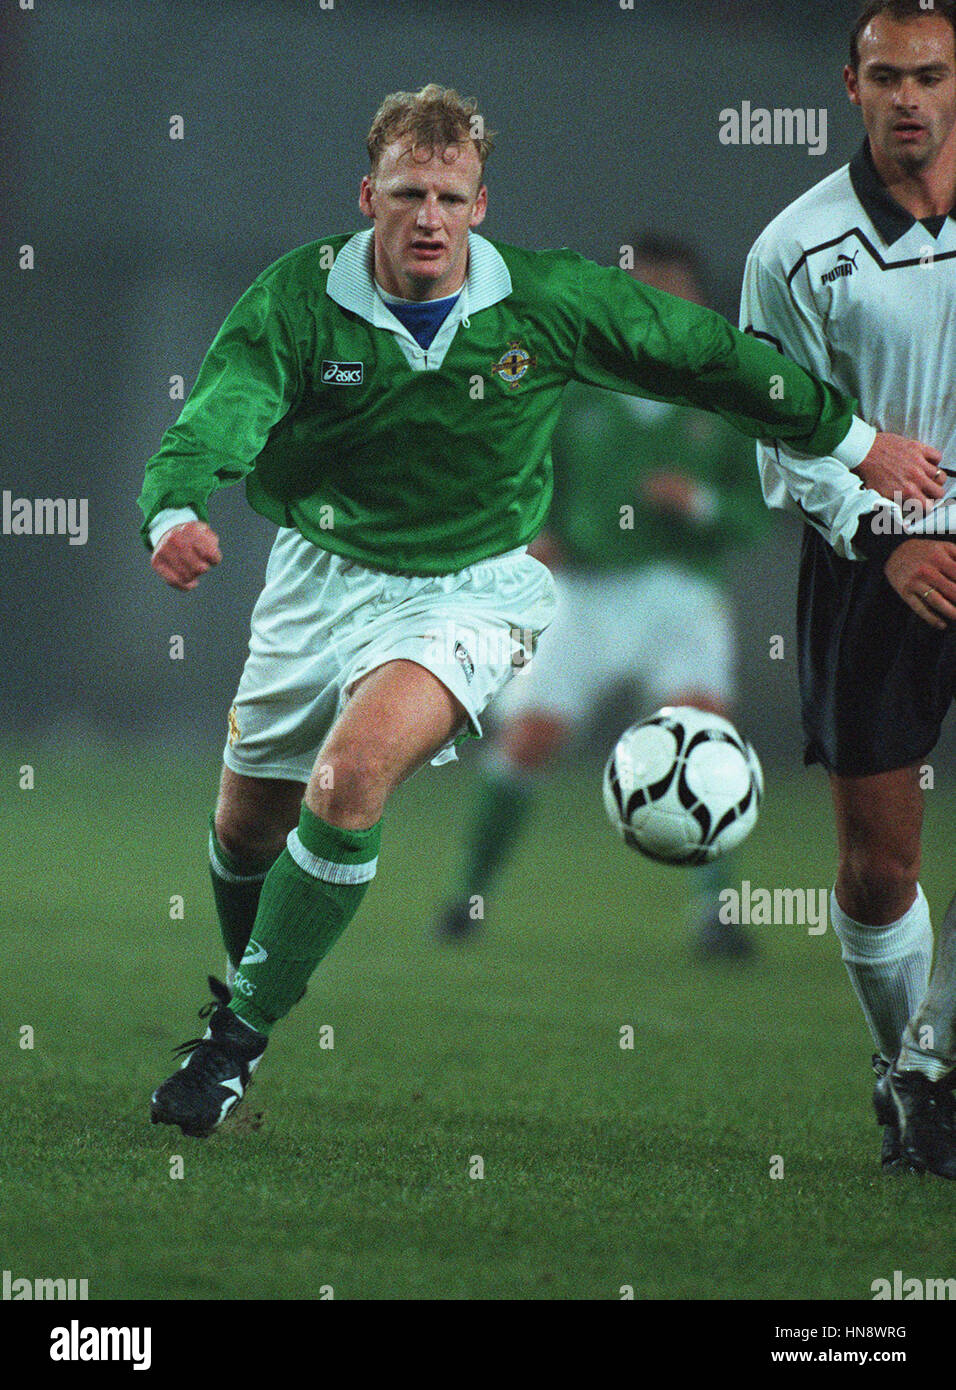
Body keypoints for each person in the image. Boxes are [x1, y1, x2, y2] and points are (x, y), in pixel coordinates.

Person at [138, 82, 938, 1139]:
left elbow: (708, 356)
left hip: (466, 589)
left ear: (480, 204)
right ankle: (250, 1000)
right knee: (247, 827)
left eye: (449, 195)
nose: (428, 215)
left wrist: (850, 440)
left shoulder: (547, 301)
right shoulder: (296, 298)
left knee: (351, 773)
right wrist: (175, 509)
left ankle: (228, 1050)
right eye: (407, 191)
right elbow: (222, 409)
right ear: (365, 193)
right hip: (317, 577)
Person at [740, 0, 956, 1177]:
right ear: (849, 84)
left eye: (929, 74)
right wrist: (881, 538)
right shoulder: (794, 250)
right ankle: (901, 1063)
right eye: (885, 76)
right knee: (881, 868)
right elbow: (773, 432)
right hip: (873, 570)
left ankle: (932, 1072)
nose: (908, 98)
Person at [436, 233, 767, 959]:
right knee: (529, 740)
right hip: (583, 594)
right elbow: (523, 478)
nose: (650, 305)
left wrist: (703, 503)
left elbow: (759, 508)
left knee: (704, 736)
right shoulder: (572, 384)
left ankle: (715, 915)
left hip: (682, 592)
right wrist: (536, 535)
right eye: (637, 290)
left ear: (699, 303)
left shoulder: (730, 393)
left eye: (667, 291)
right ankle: (468, 894)